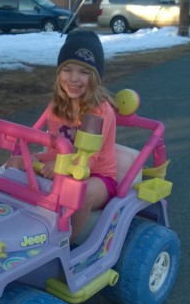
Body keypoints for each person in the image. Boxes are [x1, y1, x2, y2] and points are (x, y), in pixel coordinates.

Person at [7, 30, 117, 241]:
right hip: (63, 163)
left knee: (80, 193)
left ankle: (65, 243)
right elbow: (53, 145)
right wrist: (33, 159)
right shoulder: (57, 106)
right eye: (67, 70)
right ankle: (17, 228)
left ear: (95, 77)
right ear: (59, 74)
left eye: (83, 72)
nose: (74, 79)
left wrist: (59, 164)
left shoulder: (100, 111)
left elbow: (89, 161)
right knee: (15, 163)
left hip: (97, 175)